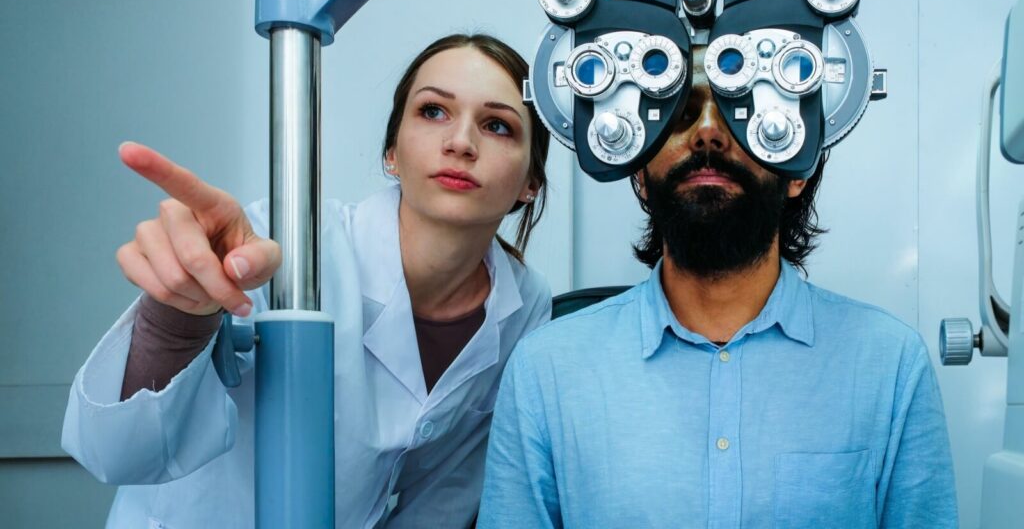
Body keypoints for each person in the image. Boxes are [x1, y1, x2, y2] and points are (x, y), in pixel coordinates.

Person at [62, 33, 552, 528]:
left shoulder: (524, 305)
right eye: (433, 112)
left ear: (531, 181)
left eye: (496, 125)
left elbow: (445, 493)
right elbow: (114, 452)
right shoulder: (280, 246)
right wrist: (175, 319)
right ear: (392, 154)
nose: (460, 143)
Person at [478, 50, 958, 528]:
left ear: (797, 168)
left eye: (743, 106)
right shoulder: (546, 371)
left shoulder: (891, 366)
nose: (708, 131)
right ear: (640, 170)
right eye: (682, 112)